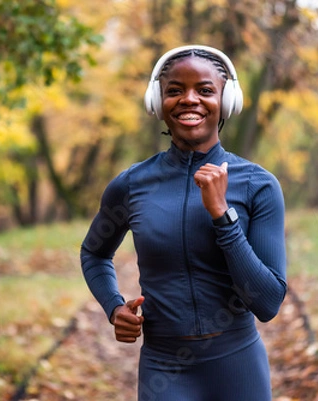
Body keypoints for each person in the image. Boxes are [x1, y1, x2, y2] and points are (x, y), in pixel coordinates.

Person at [81, 44, 287, 401]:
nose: (189, 99)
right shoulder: (131, 185)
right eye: (174, 90)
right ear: (156, 102)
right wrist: (114, 307)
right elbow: (94, 253)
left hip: (237, 366)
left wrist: (223, 216)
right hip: (164, 368)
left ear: (227, 101)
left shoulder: (259, 185)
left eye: (205, 90)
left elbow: (267, 303)